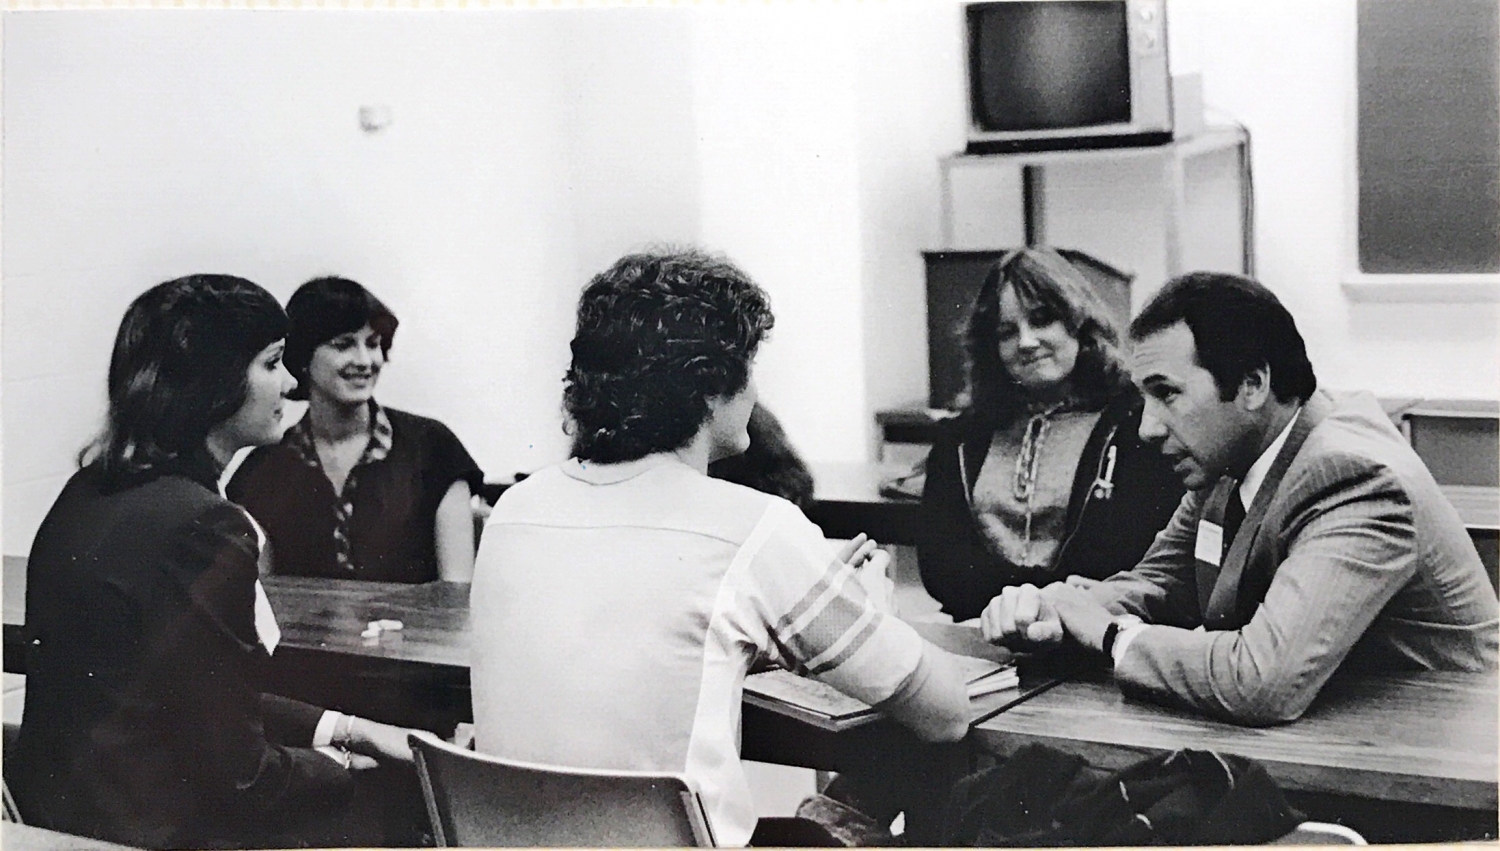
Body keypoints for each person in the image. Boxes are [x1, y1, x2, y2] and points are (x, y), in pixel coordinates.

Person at [468, 248, 970, 847]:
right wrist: (853, 611)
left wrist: (765, 627)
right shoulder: (753, 527)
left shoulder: (514, 512)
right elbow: (946, 714)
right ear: (710, 384)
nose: (757, 390)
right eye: (750, 366)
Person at [13, 275, 423, 848]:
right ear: (214, 384)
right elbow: (239, 774)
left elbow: (201, 701)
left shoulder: (87, 491)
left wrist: (353, 730)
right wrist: (349, 769)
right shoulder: (204, 526)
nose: (289, 382)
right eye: (273, 363)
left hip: (64, 825)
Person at [981, 271, 1499, 725]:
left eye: (1167, 394)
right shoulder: (1230, 455)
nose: (1146, 429)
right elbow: (1161, 582)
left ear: (1252, 384)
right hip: (1334, 726)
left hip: (1431, 767)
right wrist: (1056, 610)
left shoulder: (1357, 478)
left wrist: (1111, 635)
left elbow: (1261, 680)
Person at [920, 247, 1184, 622]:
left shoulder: (1137, 425)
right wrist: (1011, 611)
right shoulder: (961, 438)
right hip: (982, 637)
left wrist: (1047, 609)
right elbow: (940, 568)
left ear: (1079, 321)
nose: (1026, 342)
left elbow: (1141, 562)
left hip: (1098, 641)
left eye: (1042, 320)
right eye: (1006, 332)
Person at [228, 277, 485, 583]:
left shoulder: (434, 448)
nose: (365, 361)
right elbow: (261, 597)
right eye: (344, 344)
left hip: (413, 633)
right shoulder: (261, 468)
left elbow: (456, 594)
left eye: (373, 344)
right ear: (303, 356)